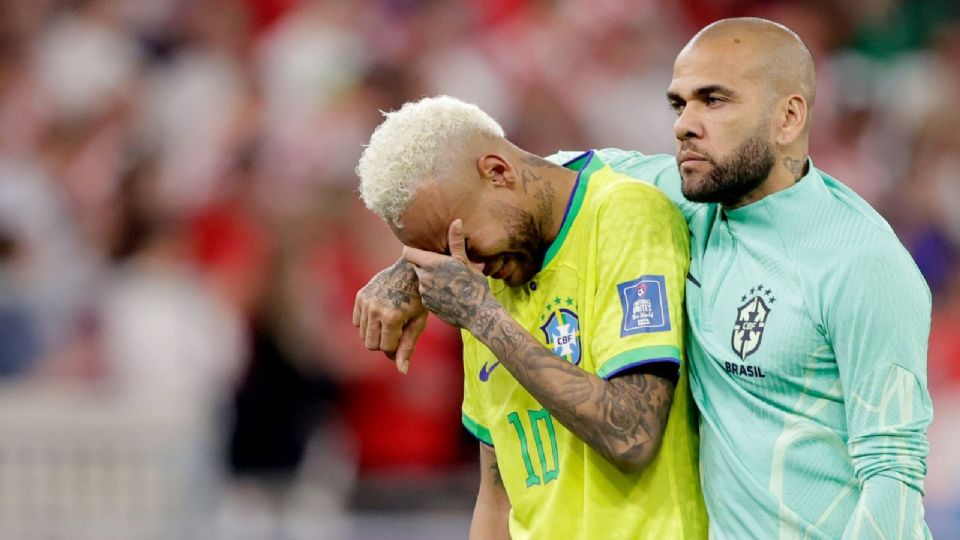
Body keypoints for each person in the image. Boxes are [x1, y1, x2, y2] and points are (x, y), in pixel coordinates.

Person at [353, 18, 934, 539]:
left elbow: (894, 471)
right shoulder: (685, 197)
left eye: (714, 101)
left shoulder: (860, 262)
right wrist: (407, 267)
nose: (686, 125)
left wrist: (477, 308)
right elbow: (533, 180)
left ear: (789, 116)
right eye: (678, 105)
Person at [355, 95, 708, 539]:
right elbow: (499, 493)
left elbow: (632, 434)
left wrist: (482, 315)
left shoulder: (624, 215)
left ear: (498, 172)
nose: (466, 266)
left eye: (462, 240)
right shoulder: (480, 279)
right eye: (442, 255)